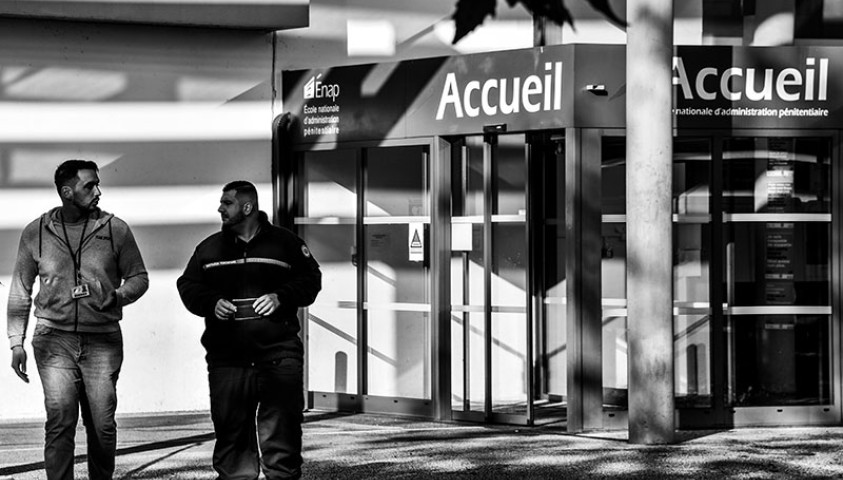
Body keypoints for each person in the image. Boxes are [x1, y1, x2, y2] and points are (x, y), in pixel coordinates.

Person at [7, 159, 149, 480]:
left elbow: (139, 277)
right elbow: (20, 290)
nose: (98, 191)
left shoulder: (115, 229)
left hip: (102, 341)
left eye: (97, 184)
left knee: (102, 424)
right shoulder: (36, 233)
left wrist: (118, 295)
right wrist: (16, 343)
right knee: (60, 422)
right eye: (90, 185)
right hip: (53, 340)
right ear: (67, 191)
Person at [177, 180, 321, 480]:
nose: (220, 208)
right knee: (232, 440)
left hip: (279, 358)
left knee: (282, 440)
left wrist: (282, 296)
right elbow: (188, 285)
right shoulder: (209, 248)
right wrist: (211, 301)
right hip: (227, 361)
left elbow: (311, 280)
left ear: (247, 207)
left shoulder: (286, 243)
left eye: (226, 202)